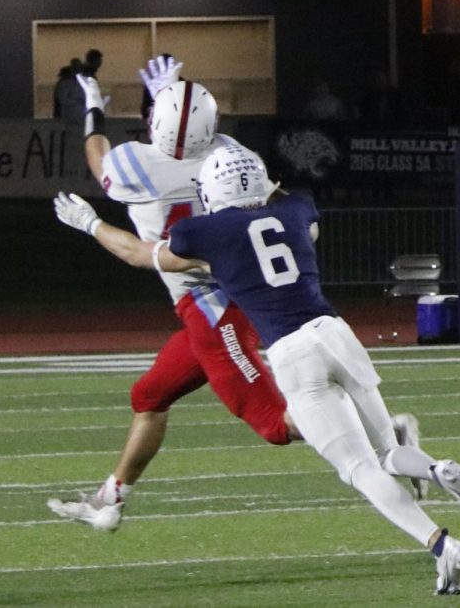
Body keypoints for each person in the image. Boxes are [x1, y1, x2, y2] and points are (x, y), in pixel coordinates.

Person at [54, 143, 460, 595]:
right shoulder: (296, 212)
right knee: (386, 453)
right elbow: (286, 221)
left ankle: (441, 544)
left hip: (293, 353)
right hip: (337, 333)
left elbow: (136, 253)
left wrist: (91, 223)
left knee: (360, 469)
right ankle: (438, 468)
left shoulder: (202, 233)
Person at [48, 61, 428, 533]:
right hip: (240, 290)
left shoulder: (135, 165)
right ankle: (111, 499)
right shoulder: (232, 152)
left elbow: (98, 157)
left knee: (274, 424)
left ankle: (386, 436)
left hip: (213, 311)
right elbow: (273, 201)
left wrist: (94, 110)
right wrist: (171, 94)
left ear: (153, 123)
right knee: (149, 394)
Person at [53, 57, 86, 124]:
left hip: (81, 118)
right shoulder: (64, 84)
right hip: (68, 117)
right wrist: (78, 101)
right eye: (75, 68)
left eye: (79, 68)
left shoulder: (84, 83)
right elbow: (62, 100)